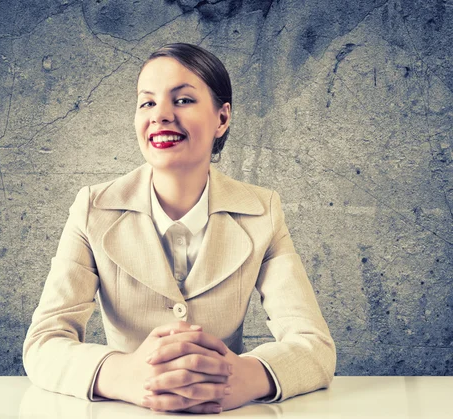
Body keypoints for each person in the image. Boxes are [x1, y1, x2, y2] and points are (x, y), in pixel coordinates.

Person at [23, 43, 336, 414]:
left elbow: (314, 345)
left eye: (183, 100)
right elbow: (44, 342)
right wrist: (123, 375)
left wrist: (245, 376)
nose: (161, 116)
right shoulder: (93, 208)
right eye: (147, 102)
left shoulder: (262, 211)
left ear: (222, 118)